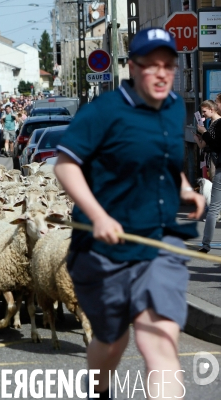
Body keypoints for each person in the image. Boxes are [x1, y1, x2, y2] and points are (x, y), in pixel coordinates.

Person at [54, 28, 205, 399]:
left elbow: (165, 164)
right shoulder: (103, 112)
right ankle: (98, 389)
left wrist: (185, 190)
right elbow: (65, 166)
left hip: (160, 240)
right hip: (103, 251)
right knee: (111, 340)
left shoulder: (171, 107)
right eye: (151, 65)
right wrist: (99, 215)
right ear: (132, 68)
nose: (161, 73)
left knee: (161, 341)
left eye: (167, 65)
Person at [193, 99, 221, 253]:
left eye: (205, 111)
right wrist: (200, 138)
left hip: (219, 167)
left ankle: (205, 244)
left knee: (213, 209)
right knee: (214, 208)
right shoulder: (213, 124)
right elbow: (207, 145)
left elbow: (216, 144)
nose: (203, 114)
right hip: (217, 165)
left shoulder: (218, 124)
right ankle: (205, 244)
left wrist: (204, 133)